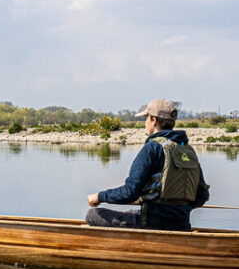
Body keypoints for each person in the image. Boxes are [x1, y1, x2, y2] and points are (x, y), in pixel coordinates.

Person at [86, 98, 210, 231]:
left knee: (93, 215)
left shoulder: (152, 148)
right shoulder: (187, 150)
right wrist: (179, 209)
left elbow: (130, 192)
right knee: (131, 214)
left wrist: (99, 197)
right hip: (182, 225)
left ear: (154, 120)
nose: (145, 122)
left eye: (146, 118)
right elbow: (202, 195)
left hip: (150, 224)